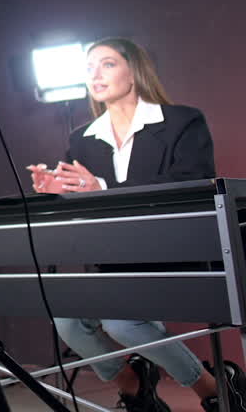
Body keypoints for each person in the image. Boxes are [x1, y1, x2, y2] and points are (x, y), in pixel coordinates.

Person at [27, 37, 242, 412]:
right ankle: (134, 384)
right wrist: (57, 192)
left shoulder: (182, 121)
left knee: (122, 323)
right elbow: (82, 209)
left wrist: (103, 188)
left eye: (107, 63)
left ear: (135, 71)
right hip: (114, 262)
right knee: (68, 321)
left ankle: (213, 388)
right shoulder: (82, 139)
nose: (95, 73)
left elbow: (192, 183)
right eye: (89, 66)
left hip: (178, 257)